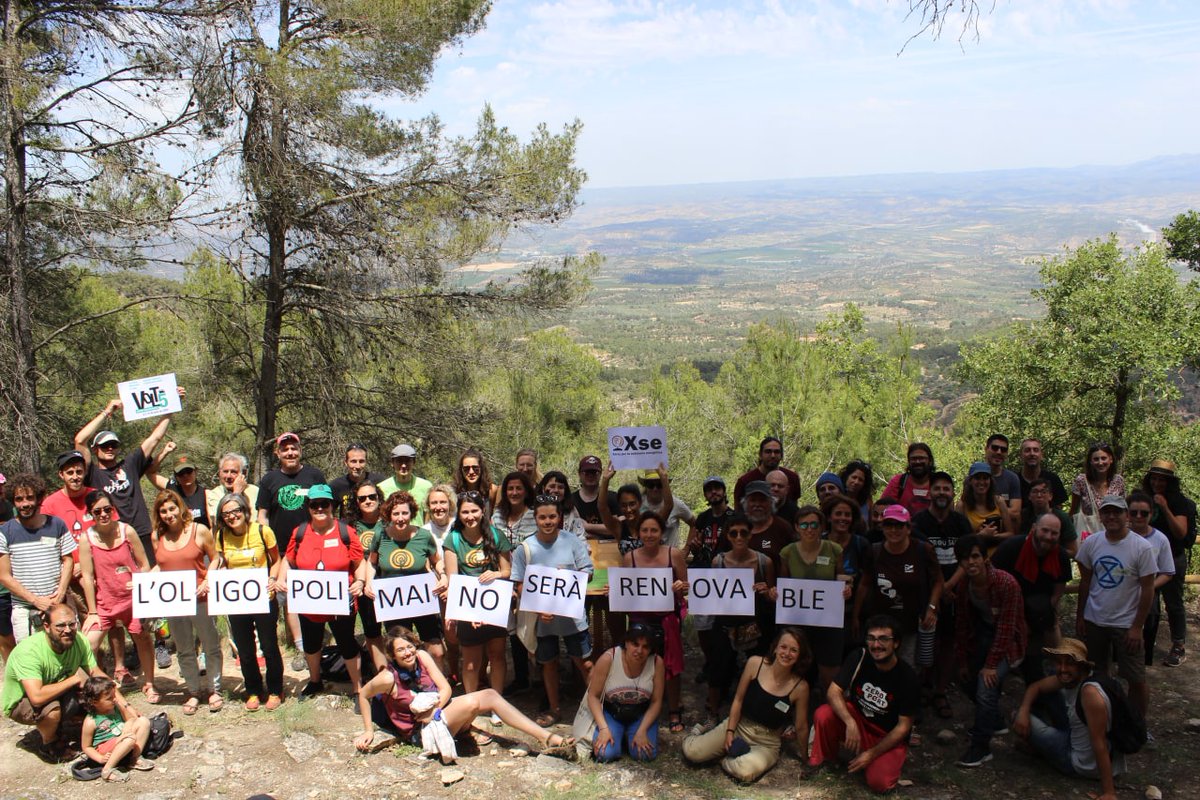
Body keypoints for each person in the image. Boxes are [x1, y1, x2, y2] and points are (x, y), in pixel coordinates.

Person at [352, 626, 574, 756]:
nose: (408, 652)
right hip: (420, 732)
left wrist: (435, 711)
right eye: (401, 650)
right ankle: (467, 731)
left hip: (439, 714)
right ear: (392, 655)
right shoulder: (388, 677)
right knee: (473, 702)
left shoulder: (422, 656)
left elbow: (445, 688)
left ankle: (547, 737)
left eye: (409, 646)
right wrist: (368, 731)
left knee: (491, 695)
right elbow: (363, 694)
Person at [683, 627, 810, 784]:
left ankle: (722, 760)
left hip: (767, 742)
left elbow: (801, 726)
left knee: (745, 771)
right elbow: (738, 699)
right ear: (775, 647)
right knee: (693, 752)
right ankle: (697, 733)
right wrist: (730, 731)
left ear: (800, 656)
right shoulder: (755, 664)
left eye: (794, 650)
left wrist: (806, 758)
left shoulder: (800, 687)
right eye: (783, 647)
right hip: (739, 726)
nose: (787, 653)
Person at [808, 614, 919, 793]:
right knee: (824, 714)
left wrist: (871, 754)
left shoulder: (908, 678)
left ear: (896, 643)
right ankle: (826, 761)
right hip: (858, 720)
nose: (876, 645)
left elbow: (903, 727)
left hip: (885, 734)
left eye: (883, 639)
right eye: (871, 638)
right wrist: (850, 722)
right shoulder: (859, 656)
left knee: (879, 783)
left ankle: (869, 758)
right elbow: (833, 692)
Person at [511, 494, 594, 727]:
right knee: (549, 663)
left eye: (552, 517)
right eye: (542, 517)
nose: (547, 521)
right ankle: (554, 709)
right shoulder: (525, 548)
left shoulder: (572, 542)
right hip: (543, 620)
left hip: (572, 617)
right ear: (535, 518)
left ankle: (599, 708)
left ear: (559, 518)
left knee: (585, 663)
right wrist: (538, 610)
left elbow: (588, 572)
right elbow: (520, 584)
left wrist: (571, 577)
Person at [74, 391, 182, 565]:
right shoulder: (92, 474)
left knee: (148, 575)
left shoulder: (130, 465)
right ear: (95, 449)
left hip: (141, 532)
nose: (110, 448)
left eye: (113, 445)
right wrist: (107, 411)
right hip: (112, 536)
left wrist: (172, 405)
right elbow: (80, 441)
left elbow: (155, 437)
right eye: (104, 446)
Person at [278, 483, 364, 699]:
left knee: (347, 643)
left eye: (324, 504)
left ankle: (358, 688)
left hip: (340, 600)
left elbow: (359, 562)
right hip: (310, 601)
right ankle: (315, 681)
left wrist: (361, 581)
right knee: (311, 643)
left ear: (332, 505)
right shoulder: (300, 533)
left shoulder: (346, 532)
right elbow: (288, 560)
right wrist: (280, 579)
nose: (319, 508)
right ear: (308, 507)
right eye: (314, 504)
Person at [1012, 639, 1126, 800]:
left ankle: (1040, 749)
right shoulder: (1076, 677)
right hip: (1075, 739)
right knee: (1025, 711)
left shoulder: (1090, 694)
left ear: (1081, 666)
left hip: (1080, 763)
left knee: (1015, 716)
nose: (1063, 669)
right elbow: (1035, 687)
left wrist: (1109, 792)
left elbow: (1099, 743)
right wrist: (1024, 710)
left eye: (1069, 664)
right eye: (1059, 663)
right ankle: (1039, 745)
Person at [1074, 495, 1155, 719]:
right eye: (1107, 512)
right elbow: (1085, 581)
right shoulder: (1092, 543)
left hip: (1126, 624)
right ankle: (1103, 719)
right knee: (1096, 673)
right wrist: (1080, 616)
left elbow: (1148, 589)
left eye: (1117, 512)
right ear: (1100, 516)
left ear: (1126, 515)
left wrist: (1137, 627)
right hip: (1095, 620)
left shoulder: (1142, 547)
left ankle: (1137, 725)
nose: (1111, 516)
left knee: (1136, 678)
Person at [2, 604, 115, 761]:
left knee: (95, 697)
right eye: (60, 626)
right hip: (22, 700)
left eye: (72, 624)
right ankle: (50, 744)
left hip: (56, 689)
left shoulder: (79, 640)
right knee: (52, 710)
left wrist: (122, 703)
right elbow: (36, 697)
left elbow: (96, 673)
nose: (67, 630)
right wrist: (74, 680)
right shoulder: (29, 651)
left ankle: (66, 724)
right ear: (46, 627)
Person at [952, 534, 1027, 768]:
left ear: (985, 558)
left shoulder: (1006, 583)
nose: (971, 562)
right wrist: (963, 660)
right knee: (964, 678)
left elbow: (1007, 629)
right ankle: (994, 720)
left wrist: (991, 665)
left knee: (986, 688)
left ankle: (981, 747)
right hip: (983, 636)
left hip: (1009, 642)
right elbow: (962, 623)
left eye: (975, 556)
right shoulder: (965, 585)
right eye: (965, 558)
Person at [212, 492, 285, 712]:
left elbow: (276, 560)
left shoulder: (262, 531)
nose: (232, 516)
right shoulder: (221, 536)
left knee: (269, 645)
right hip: (237, 600)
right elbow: (221, 561)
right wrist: (215, 577)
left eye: (236, 510)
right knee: (244, 649)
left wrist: (273, 578)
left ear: (245, 511)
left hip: (263, 597)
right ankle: (253, 689)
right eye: (226, 513)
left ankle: (275, 689)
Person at [151, 488, 222, 712]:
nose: (168, 514)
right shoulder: (157, 536)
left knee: (210, 644)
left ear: (180, 507)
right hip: (174, 601)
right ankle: (193, 691)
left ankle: (214, 689)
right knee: (183, 649)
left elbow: (215, 558)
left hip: (200, 597)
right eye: (163, 511)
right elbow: (160, 566)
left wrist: (208, 580)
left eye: (172, 508)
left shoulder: (199, 530)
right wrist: (144, 581)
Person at [77, 490, 155, 693]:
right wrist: (92, 612)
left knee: (142, 638)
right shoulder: (87, 539)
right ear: (90, 514)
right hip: (106, 602)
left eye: (107, 509)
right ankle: (96, 690)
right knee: (88, 643)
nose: (103, 514)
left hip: (133, 599)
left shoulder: (127, 531)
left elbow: (144, 565)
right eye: (97, 511)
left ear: (113, 509)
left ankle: (149, 684)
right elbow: (87, 576)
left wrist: (140, 584)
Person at [256, 432, 326, 654]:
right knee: (290, 599)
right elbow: (262, 515)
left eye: (294, 448)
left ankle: (319, 641)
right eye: (285, 449)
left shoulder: (315, 475)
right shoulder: (269, 480)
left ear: (300, 451)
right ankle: (300, 647)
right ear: (278, 453)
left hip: (313, 547)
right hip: (282, 551)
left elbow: (325, 508)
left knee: (315, 594)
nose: (290, 452)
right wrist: (267, 545)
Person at [910, 470, 972, 718]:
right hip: (926, 592)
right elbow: (916, 558)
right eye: (937, 488)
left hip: (955, 591)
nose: (942, 493)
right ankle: (922, 686)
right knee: (925, 638)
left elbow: (968, 557)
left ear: (953, 493)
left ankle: (940, 690)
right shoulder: (918, 522)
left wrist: (948, 586)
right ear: (930, 492)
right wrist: (938, 589)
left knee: (948, 640)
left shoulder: (961, 523)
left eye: (946, 488)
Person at [362, 491, 446, 673]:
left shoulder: (424, 536)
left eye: (405, 513)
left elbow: (436, 561)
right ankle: (409, 684)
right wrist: (369, 582)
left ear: (412, 513)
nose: (400, 518)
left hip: (422, 600)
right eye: (396, 514)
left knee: (437, 651)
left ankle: (439, 683)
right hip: (394, 603)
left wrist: (442, 575)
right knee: (401, 651)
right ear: (389, 515)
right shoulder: (380, 535)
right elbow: (372, 562)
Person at [704, 512, 776, 721]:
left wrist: (766, 591)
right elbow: (713, 594)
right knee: (717, 667)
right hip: (724, 623)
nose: (739, 537)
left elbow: (772, 597)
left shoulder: (764, 562)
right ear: (727, 536)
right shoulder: (718, 562)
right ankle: (713, 711)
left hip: (754, 624)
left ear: (750, 534)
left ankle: (757, 710)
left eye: (743, 533)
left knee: (760, 667)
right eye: (733, 533)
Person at [622, 506, 688, 732]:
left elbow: (686, 587)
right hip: (640, 618)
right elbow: (625, 591)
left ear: (662, 532)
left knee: (671, 665)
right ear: (638, 533)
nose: (649, 535)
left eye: (654, 530)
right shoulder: (629, 558)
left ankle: (674, 709)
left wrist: (680, 586)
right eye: (645, 530)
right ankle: (641, 705)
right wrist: (614, 591)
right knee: (638, 661)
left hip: (667, 619)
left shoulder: (673, 555)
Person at [853, 505, 941, 667]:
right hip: (881, 622)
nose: (894, 530)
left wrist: (932, 607)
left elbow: (938, 581)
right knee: (878, 664)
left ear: (908, 528)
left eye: (899, 525)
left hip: (912, 622)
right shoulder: (874, 551)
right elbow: (864, 584)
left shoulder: (923, 550)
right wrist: (855, 616)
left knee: (909, 666)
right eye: (889, 525)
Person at [442, 490, 512, 695]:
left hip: (494, 605)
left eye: (474, 511)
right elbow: (453, 579)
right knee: (471, 662)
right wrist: (462, 614)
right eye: (465, 512)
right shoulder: (453, 539)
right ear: (458, 514)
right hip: (468, 607)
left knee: (497, 656)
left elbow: (507, 571)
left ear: (483, 511)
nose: (470, 516)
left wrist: (495, 574)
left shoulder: (497, 536)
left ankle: (497, 702)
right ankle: (471, 703)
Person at [992, 512, 1072, 684]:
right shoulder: (1011, 548)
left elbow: (1058, 590)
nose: (1049, 537)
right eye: (1045, 530)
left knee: (1046, 638)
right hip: (1008, 608)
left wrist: (1044, 616)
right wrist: (1017, 620)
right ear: (1034, 528)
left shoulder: (1061, 556)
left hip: (1041, 609)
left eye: (1054, 533)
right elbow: (992, 581)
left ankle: (1056, 672)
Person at [779, 505, 850, 694]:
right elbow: (783, 584)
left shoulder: (834, 549)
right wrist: (774, 592)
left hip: (829, 621)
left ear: (822, 527)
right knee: (796, 670)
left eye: (814, 524)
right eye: (804, 525)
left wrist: (846, 589)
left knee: (830, 675)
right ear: (796, 527)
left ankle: (831, 708)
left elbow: (842, 578)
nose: (809, 529)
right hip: (798, 621)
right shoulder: (787, 552)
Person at [0, 474, 76, 643]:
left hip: (59, 604)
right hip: (25, 609)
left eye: (30, 497)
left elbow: (68, 560)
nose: (25, 504)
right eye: (19, 499)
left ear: (39, 498)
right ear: (13, 501)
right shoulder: (5, 532)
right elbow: (3, 575)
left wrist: (61, 592)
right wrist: (35, 600)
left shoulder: (57, 525)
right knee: (30, 655)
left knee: (65, 653)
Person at [574, 621, 664, 762]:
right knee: (604, 754)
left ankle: (630, 735)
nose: (639, 651)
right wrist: (603, 728)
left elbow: (656, 701)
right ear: (626, 643)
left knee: (644, 755)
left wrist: (642, 730)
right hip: (612, 713)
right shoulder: (608, 658)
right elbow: (593, 696)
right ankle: (619, 737)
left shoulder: (657, 662)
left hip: (640, 714)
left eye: (645, 647)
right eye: (635, 644)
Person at [1140, 459, 1196, 667]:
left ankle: (1178, 645)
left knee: (1173, 603)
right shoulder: (1144, 499)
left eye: (1161, 480)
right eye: (1154, 479)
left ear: (1170, 482)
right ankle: (1145, 646)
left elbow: (1180, 532)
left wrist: (1164, 507)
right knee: (1149, 603)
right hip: (1148, 558)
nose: (1157, 483)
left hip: (1172, 557)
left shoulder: (1179, 502)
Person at [1126, 491, 1176, 668]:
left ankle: (1141, 669)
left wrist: (1148, 587)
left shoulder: (1160, 539)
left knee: (1144, 639)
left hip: (1149, 596)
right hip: (1121, 595)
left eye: (1144, 513)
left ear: (1152, 514)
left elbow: (1168, 572)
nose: (1139, 517)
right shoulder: (1118, 536)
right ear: (1127, 514)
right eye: (1134, 512)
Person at [79, 675, 154, 782]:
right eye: (109, 698)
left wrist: (128, 726)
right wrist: (99, 758)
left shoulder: (115, 706)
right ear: (94, 702)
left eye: (114, 695)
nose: (114, 699)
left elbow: (130, 719)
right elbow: (86, 747)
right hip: (106, 747)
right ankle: (107, 770)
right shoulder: (91, 721)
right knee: (129, 739)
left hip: (123, 738)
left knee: (143, 721)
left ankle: (135, 758)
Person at [741, 480, 794, 575]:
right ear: (745, 503)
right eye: (753, 500)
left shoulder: (783, 527)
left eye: (762, 500)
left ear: (771, 502)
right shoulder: (735, 527)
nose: (757, 504)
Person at [734, 437, 801, 507]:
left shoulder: (792, 478)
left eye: (776, 452)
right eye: (768, 452)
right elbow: (738, 510)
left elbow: (794, 508)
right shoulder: (745, 481)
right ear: (760, 455)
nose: (773, 455)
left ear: (781, 455)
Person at [956, 462, 1010, 550]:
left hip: (997, 553)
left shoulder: (999, 501)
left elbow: (1010, 534)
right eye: (977, 478)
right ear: (970, 481)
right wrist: (980, 536)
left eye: (985, 478)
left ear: (990, 481)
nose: (981, 482)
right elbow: (959, 540)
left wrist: (994, 536)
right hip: (974, 554)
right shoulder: (962, 506)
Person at [377, 444, 433, 524]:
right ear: (392, 463)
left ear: (414, 462)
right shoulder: (382, 488)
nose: (403, 465)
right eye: (399, 461)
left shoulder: (426, 486)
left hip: (418, 531)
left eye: (407, 461)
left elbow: (428, 518)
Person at [1020, 477, 1077, 556]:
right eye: (1035, 492)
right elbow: (1016, 543)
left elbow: (1073, 551)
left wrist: (1051, 548)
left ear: (1050, 496)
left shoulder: (1062, 517)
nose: (1039, 495)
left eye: (1043, 492)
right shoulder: (1023, 516)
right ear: (1029, 496)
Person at [1070, 442, 1125, 522]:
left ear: (1111, 459)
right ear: (1090, 462)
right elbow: (1073, 511)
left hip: (1113, 527)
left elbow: (1123, 509)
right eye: (1096, 459)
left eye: (1103, 458)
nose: (1100, 463)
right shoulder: (1082, 481)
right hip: (1089, 528)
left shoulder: (1118, 481)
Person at [640, 468, 693, 549]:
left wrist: (686, 549)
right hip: (646, 554)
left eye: (659, 484)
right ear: (645, 485)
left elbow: (694, 524)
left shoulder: (675, 503)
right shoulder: (638, 504)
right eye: (651, 485)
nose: (655, 489)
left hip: (670, 554)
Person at [328, 443, 386, 518]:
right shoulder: (337, 485)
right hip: (348, 525)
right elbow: (328, 513)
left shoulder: (379, 482)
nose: (357, 466)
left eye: (361, 461)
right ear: (346, 462)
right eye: (353, 461)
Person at [881, 443, 935, 518]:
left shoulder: (938, 482)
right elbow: (882, 510)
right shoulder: (898, 482)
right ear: (909, 461)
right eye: (914, 458)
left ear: (930, 461)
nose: (918, 461)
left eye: (922, 458)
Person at [571, 455, 618, 539]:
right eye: (586, 472)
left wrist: (587, 526)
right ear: (579, 473)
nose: (590, 475)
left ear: (600, 473)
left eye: (594, 472)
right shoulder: (570, 500)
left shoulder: (613, 497)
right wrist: (600, 532)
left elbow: (617, 527)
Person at [982, 434, 1022, 532]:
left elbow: (1015, 512)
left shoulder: (1012, 478)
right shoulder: (974, 477)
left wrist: (983, 510)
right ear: (986, 449)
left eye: (1003, 449)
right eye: (995, 448)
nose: (999, 452)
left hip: (1006, 533)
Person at [205, 453, 259, 523]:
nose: (228, 476)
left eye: (233, 472)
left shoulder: (255, 491)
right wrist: (237, 493)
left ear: (244, 473)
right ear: (220, 473)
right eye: (225, 471)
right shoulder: (215, 494)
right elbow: (222, 521)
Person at [1017, 438, 1068, 508]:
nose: (1032, 454)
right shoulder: (1013, 480)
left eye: (1036, 450)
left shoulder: (1053, 479)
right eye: (1027, 450)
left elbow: (1058, 509)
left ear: (1041, 455)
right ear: (1021, 455)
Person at [536, 471, 586, 540]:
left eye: (560, 487)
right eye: (552, 486)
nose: (556, 490)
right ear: (543, 489)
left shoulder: (571, 511)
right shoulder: (533, 510)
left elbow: (580, 537)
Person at [492, 471, 537, 546]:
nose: (514, 493)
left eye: (519, 488)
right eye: (510, 489)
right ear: (505, 492)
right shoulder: (497, 517)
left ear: (526, 492)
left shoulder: (535, 517)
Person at [348, 481, 384, 553]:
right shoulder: (350, 526)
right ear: (357, 502)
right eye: (362, 498)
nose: (368, 501)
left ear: (378, 498)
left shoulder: (390, 523)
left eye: (372, 497)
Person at [418, 484, 456, 550]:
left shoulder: (458, 527)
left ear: (450, 504)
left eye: (443, 502)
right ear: (428, 506)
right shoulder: (424, 532)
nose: (438, 507)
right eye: (434, 503)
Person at [839, 460, 876, 524]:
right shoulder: (837, 497)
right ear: (846, 477)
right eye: (854, 477)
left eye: (860, 480)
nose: (856, 482)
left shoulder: (867, 501)